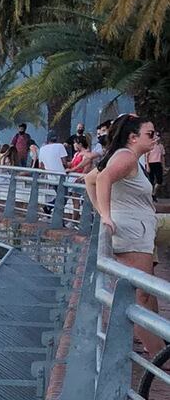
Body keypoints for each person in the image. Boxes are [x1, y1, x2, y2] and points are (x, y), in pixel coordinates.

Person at [84, 114, 161, 357]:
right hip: (131, 235)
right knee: (140, 295)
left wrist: (104, 212)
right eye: (150, 134)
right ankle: (159, 357)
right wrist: (105, 215)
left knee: (144, 293)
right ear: (133, 137)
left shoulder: (128, 158)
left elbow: (90, 179)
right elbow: (102, 178)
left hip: (138, 231)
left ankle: (159, 349)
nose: (155, 137)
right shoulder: (126, 158)